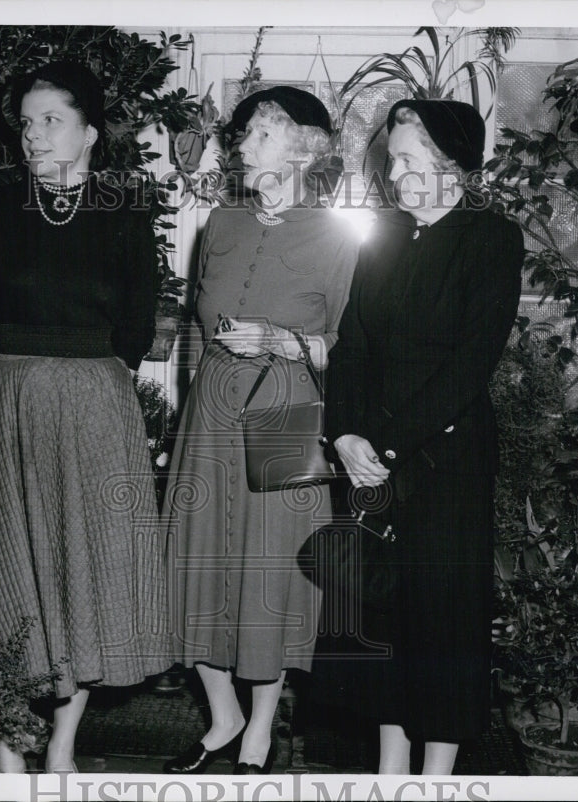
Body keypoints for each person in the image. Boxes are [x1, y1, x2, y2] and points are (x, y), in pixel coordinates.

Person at [0, 60, 170, 773]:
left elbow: (137, 328)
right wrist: (15, 388)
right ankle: (7, 743)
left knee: (89, 571)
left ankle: (62, 748)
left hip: (97, 407)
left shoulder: (125, 209)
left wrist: (87, 392)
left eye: (51, 120)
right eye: (26, 122)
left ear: (89, 132)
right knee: (10, 569)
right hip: (10, 401)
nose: (34, 135)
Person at [323, 99, 524, 775]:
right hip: (369, 457)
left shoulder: (490, 238)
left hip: (445, 459)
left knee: (443, 620)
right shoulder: (382, 233)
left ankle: (434, 779)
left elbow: (471, 365)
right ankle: (389, 770)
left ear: (455, 167)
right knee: (379, 616)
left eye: (410, 160)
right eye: (394, 159)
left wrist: (382, 450)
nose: (396, 173)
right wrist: (345, 436)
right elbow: (351, 345)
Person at [162, 87, 359, 775]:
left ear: (304, 148)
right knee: (194, 563)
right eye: (242, 134)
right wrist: (192, 402)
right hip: (211, 412)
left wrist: (281, 338)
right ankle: (223, 716)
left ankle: (259, 733)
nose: (241, 146)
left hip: (285, 406)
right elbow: (194, 323)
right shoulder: (221, 223)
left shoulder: (339, 239)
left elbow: (351, 349)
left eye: (260, 135)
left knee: (268, 572)